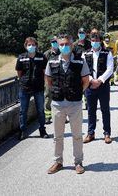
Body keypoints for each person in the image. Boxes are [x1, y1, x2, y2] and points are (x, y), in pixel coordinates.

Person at [45, 34, 90, 174]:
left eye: (67, 44)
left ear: (71, 45)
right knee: (58, 136)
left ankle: (78, 162)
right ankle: (58, 162)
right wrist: (58, 92)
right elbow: (48, 80)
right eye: (61, 44)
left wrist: (76, 92)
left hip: (74, 103)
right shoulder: (51, 62)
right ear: (58, 45)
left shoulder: (80, 61)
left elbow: (86, 81)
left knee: (77, 135)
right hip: (58, 103)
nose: (64, 46)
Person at [82, 34, 114, 144]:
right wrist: (91, 80)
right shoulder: (85, 53)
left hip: (103, 85)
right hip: (90, 86)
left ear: (100, 41)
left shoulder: (107, 52)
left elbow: (110, 69)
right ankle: (91, 133)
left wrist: (99, 80)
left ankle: (107, 133)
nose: (94, 42)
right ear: (90, 41)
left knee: (105, 110)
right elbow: (83, 68)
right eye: (92, 40)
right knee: (91, 110)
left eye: (96, 40)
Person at [15, 37, 49, 140]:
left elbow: (45, 72)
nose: (31, 46)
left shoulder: (42, 57)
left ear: (36, 46)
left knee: (40, 110)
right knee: (23, 110)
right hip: (24, 88)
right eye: (29, 45)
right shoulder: (21, 57)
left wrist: (45, 84)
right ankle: (22, 130)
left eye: (33, 45)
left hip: (38, 87)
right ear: (26, 46)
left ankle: (42, 130)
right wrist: (24, 81)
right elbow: (19, 73)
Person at [44, 36, 60, 125]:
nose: (55, 43)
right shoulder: (46, 54)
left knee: (60, 96)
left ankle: (62, 116)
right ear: (50, 43)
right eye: (53, 42)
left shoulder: (61, 52)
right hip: (49, 78)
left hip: (60, 78)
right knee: (48, 96)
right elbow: (43, 68)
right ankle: (47, 116)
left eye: (56, 42)